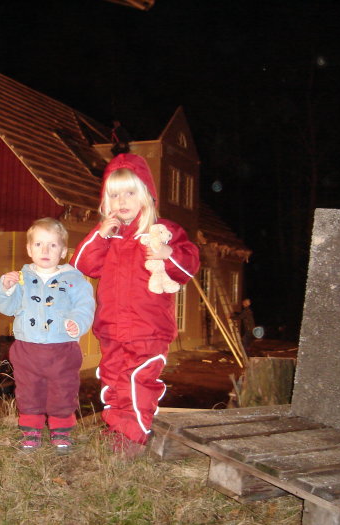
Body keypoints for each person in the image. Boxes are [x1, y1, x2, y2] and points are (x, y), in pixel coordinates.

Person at [71, 153, 200, 458]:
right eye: (114, 195)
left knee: (139, 380)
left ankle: (132, 438)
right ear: (106, 201)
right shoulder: (109, 238)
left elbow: (187, 265)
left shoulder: (161, 230)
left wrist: (166, 250)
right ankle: (117, 428)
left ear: (146, 194)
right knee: (114, 380)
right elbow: (83, 264)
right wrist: (99, 235)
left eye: (130, 192)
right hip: (112, 328)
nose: (122, 201)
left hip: (148, 328)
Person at [0, 218, 95, 454]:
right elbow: (7, 307)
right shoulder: (20, 278)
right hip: (27, 348)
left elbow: (84, 306)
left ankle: (61, 431)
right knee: (28, 390)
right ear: (29, 249)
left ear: (62, 251)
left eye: (52, 245)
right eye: (39, 244)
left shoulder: (74, 281)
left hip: (62, 349)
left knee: (63, 389)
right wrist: (6, 288)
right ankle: (31, 432)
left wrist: (77, 323)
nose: (45, 250)